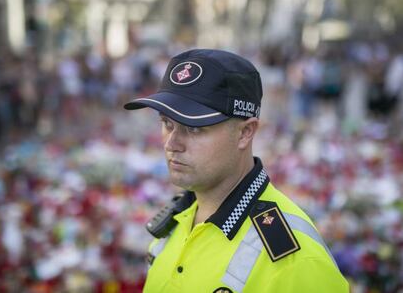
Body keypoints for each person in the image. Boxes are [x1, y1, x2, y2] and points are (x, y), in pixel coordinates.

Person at [124, 49, 349, 292]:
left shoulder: (296, 260)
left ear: (245, 133)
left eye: (194, 128)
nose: (171, 144)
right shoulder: (175, 222)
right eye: (167, 124)